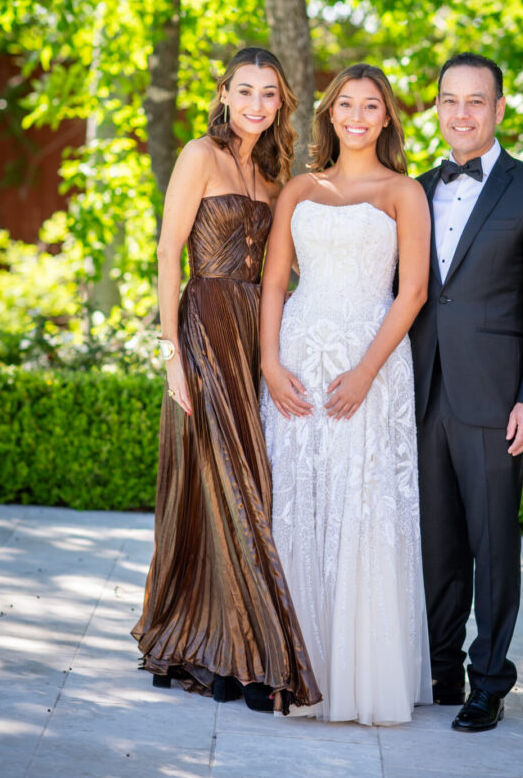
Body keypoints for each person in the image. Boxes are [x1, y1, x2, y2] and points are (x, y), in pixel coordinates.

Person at [132, 46, 320, 715]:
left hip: (253, 331)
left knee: (234, 484)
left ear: (280, 103)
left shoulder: (272, 173)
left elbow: (280, 270)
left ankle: (196, 636)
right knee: (229, 481)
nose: (256, 105)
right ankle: (244, 653)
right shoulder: (197, 155)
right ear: (224, 93)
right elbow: (166, 249)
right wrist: (170, 353)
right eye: (245, 92)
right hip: (206, 325)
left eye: (269, 94)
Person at [260, 63, 433, 725]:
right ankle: (291, 671)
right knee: (298, 502)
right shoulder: (300, 187)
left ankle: (360, 677)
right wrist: (270, 363)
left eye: (371, 106)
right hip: (298, 357)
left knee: (360, 506)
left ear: (386, 117)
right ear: (329, 114)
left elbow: (411, 291)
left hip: (371, 362)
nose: (357, 116)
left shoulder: (402, 192)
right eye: (345, 105)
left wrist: (364, 371)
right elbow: (276, 282)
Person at [409, 52, 523, 732]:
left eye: (477, 101)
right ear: (436, 108)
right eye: (450, 100)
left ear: (499, 109)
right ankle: (440, 671)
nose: (462, 113)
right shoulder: (412, 189)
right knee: (434, 544)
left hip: (498, 400)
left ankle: (488, 682)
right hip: (420, 393)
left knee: (492, 546)